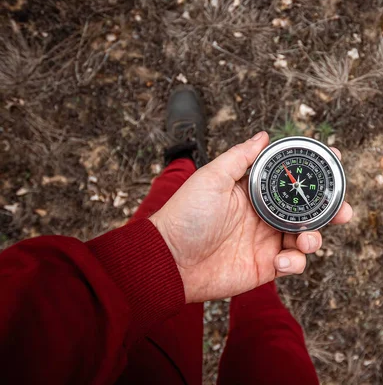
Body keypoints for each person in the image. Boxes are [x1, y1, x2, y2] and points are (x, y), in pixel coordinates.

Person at [0, 86, 353, 384]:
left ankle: (182, 162)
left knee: (169, 202)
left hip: (104, 338)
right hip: (128, 356)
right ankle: (257, 286)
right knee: (271, 342)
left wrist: (161, 252)